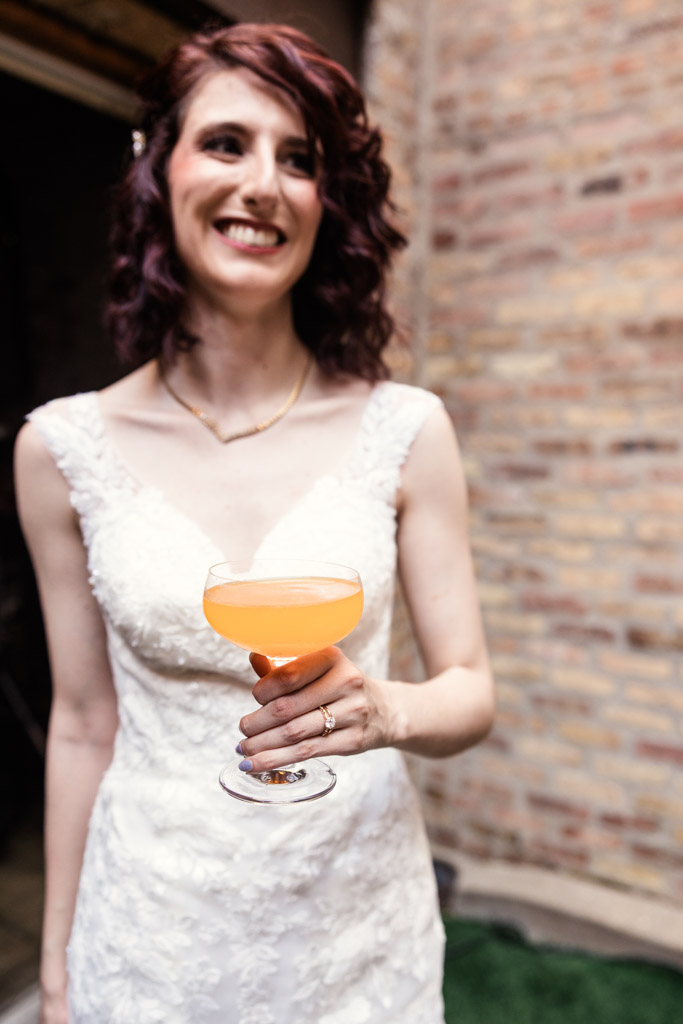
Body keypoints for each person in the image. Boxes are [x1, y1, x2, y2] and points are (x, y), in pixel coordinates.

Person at [14, 22, 494, 1024]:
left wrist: (387, 712)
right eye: (227, 142)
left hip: (353, 938)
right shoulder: (60, 452)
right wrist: (58, 967)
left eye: (300, 159)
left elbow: (469, 691)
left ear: (328, 203)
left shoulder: (404, 430)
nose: (263, 184)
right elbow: (80, 723)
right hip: (152, 931)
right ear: (159, 171)